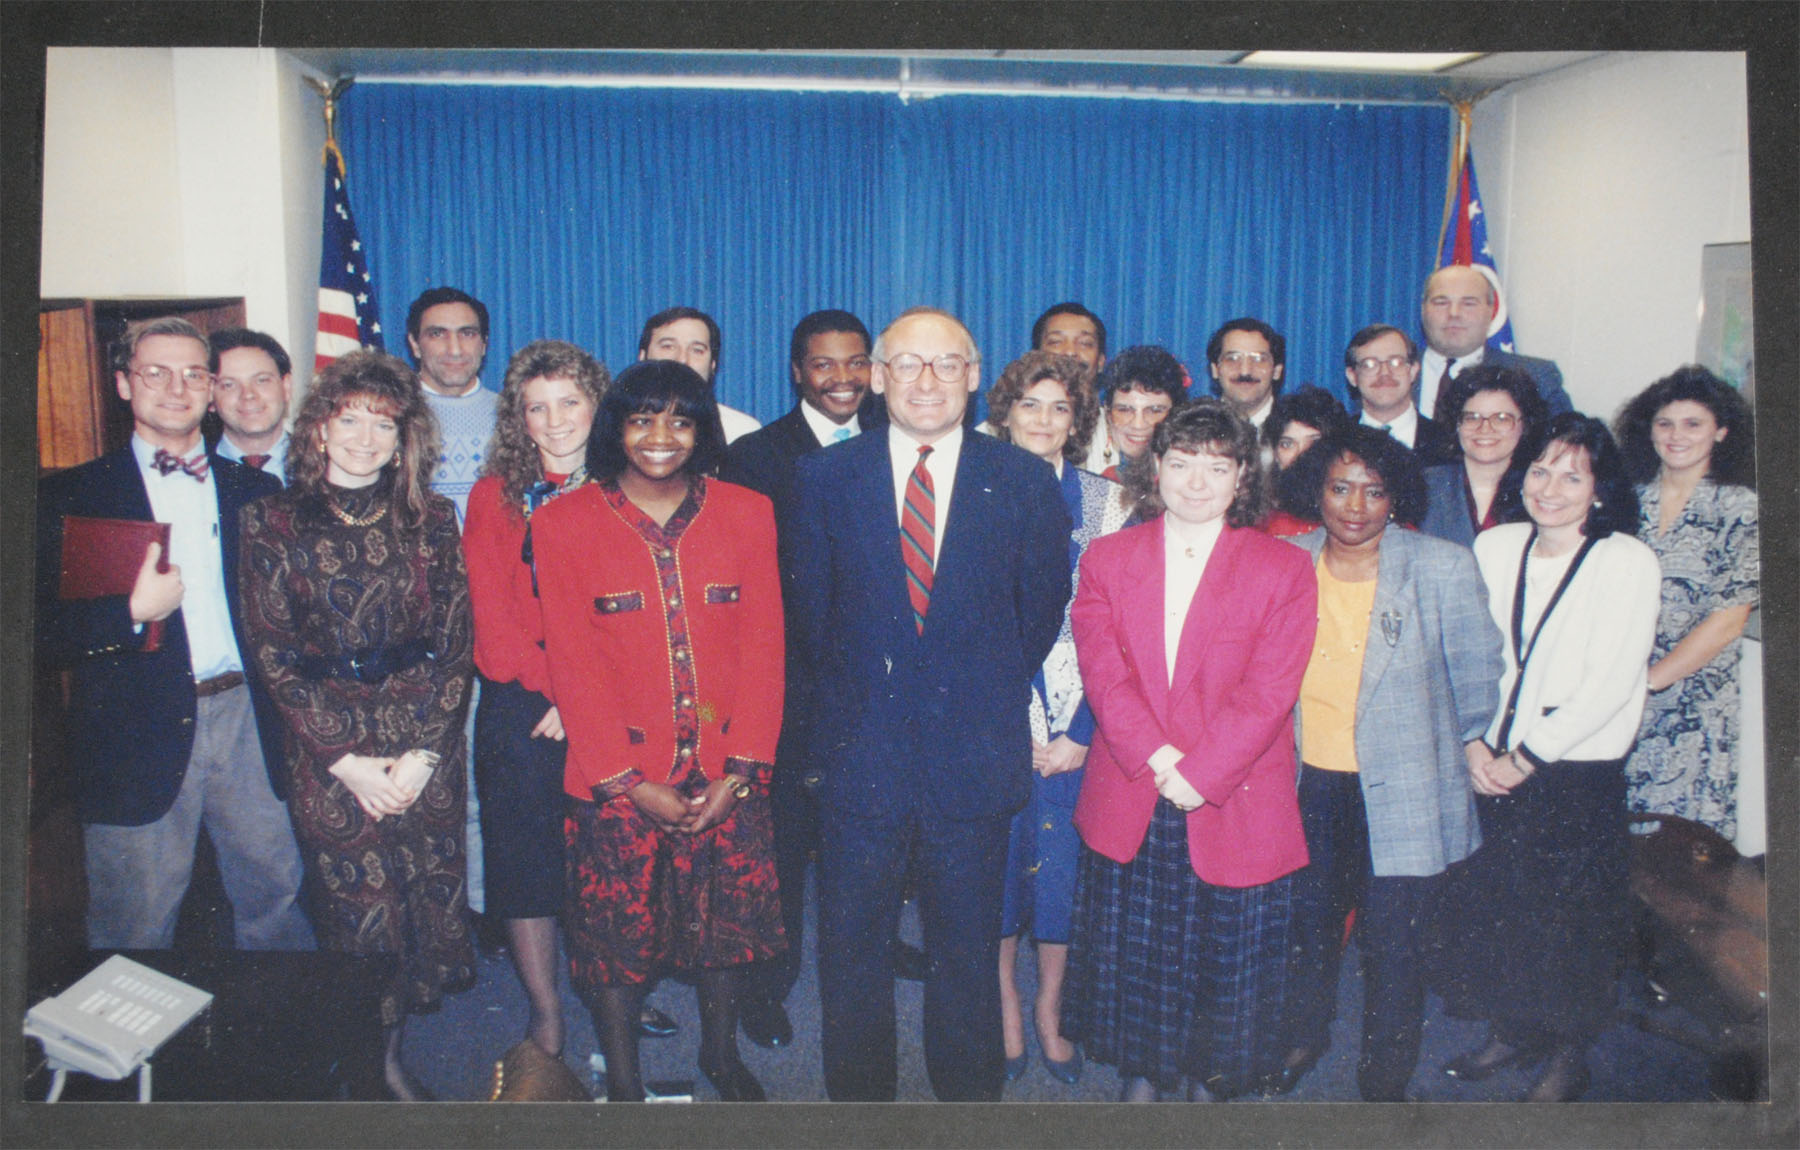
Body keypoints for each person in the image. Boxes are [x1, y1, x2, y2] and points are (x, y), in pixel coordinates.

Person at [788, 307, 1069, 1101]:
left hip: (972, 759)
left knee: (967, 954)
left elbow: (1038, 614)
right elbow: (813, 618)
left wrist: (968, 693)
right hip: (859, 758)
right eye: (906, 364)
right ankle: (862, 1109)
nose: (926, 381)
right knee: (851, 954)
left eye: (947, 364)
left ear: (975, 377)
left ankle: (967, 1104)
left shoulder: (1020, 479)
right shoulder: (823, 479)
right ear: (876, 378)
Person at [530, 359, 786, 1103]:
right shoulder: (562, 521)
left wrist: (739, 769)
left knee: (722, 932)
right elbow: (573, 665)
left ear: (703, 428)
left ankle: (719, 1053)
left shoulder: (747, 512)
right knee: (615, 948)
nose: (661, 436)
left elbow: (765, 648)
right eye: (642, 418)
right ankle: (627, 1086)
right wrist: (630, 783)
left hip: (724, 767)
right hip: (617, 780)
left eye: (680, 418)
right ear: (616, 426)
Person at [238, 349, 476, 1100]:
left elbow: (457, 643)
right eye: (351, 419)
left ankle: (392, 1051)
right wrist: (348, 763)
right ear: (318, 426)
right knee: (361, 915)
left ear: (405, 436)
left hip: (421, 737)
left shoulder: (432, 516)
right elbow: (273, 654)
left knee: (422, 898)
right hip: (327, 743)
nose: (366, 438)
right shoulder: (269, 519)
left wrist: (423, 758)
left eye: (384, 422)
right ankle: (377, 1072)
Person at [1064, 400, 1317, 1102]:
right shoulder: (1109, 558)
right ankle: (1143, 1073)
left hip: (1232, 795)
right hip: (1133, 787)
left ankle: (1214, 1082)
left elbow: (1272, 691)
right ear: (1156, 469)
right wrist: (1158, 762)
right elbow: (1104, 673)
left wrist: (1200, 774)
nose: (1197, 482)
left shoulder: (1283, 569)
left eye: (1217, 466)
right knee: (1139, 954)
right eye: (1181, 464)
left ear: (1243, 477)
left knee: (1225, 960)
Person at [36, 316, 312, 953]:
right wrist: (129, 612)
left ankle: (277, 1048)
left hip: (248, 718)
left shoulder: (259, 490)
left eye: (194, 373)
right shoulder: (71, 496)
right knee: (134, 921)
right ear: (124, 385)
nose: (176, 387)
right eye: (155, 372)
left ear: (212, 388)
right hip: (135, 730)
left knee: (275, 900)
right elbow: (36, 631)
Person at [1274, 424, 1504, 1100]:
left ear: (1396, 496)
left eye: (1374, 491)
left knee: (1394, 951)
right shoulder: (1287, 558)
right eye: (1340, 487)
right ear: (1315, 490)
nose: (1354, 505)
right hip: (1308, 784)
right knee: (1308, 931)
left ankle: (1385, 1079)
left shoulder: (1440, 566)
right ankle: (1303, 1037)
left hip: (1403, 792)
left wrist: (1446, 750)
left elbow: (1479, 678)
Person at [1439, 414, 1660, 1101]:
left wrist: (1525, 757)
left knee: (1571, 922)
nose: (1551, 487)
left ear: (1599, 489)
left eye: (1573, 475)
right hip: (1491, 761)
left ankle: (1569, 1053)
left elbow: (1611, 680)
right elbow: (1467, 654)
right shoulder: (1497, 546)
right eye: (1539, 470)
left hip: (1572, 773)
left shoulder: (1626, 559)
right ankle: (1512, 1029)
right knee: (1500, 909)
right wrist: (1474, 741)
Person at [719, 309, 888, 1050]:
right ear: (796, 371)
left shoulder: (900, 441)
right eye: (825, 364)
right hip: (790, 682)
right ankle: (769, 982)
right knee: (783, 841)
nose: (843, 378)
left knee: (877, 832)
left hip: (880, 681)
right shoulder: (757, 456)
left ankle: (878, 953)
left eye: (857, 362)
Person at [984, 349, 1130, 1089]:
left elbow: (1126, 630)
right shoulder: (971, 490)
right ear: (1005, 412)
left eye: (1060, 408)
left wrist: (1079, 732)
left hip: (1084, 717)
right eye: (1030, 405)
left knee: (1064, 874)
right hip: (994, 716)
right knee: (999, 868)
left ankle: (1052, 1007)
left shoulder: (1111, 501)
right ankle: (1005, 1001)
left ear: (1078, 422)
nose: (1044, 420)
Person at [462, 340, 611, 1060]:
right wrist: (561, 689)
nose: (555, 421)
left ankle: (613, 999)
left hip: (612, 698)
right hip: (524, 702)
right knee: (525, 863)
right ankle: (545, 1010)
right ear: (518, 419)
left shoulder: (628, 484)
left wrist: (585, 695)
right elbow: (491, 622)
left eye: (570, 403)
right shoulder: (494, 495)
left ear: (597, 405)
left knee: (609, 861)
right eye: (537, 407)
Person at [1615, 367, 1759, 840]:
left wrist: (1649, 684)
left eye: (1693, 424)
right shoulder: (1627, 503)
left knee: (1681, 856)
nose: (1677, 436)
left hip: (1692, 706)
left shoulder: (1741, 509)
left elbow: (1728, 621)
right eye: (1665, 423)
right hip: (1614, 692)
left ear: (1721, 431)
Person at [405, 286, 503, 959]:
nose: (453, 347)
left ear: (484, 343)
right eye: (437, 334)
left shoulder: (511, 418)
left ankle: (482, 907)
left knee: (484, 773)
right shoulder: (387, 417)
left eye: (467, 333)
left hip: (495, 622)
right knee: (429, 773)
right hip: (415, 629)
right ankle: (433, 912)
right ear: (414, 342)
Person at [1417, 263, 1573, 420]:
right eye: (1441, 302)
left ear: (1491, 311)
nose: (1454, 313)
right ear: (1423, 309)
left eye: (1469, 303)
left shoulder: (1536, 377)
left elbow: (1568, 441)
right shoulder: (1396, 373)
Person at [1419, 364, 1548, 547]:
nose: (1485, 429)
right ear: (1457, 424)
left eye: (1502, 418)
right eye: (1472, 418)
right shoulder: (1424, 485)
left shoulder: (1542, 490)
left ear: (1524, 425)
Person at [638, 305, 762, 443]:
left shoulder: (741, 431)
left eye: (697, 350)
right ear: (643, 357)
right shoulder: (620, 425)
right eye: (668, 346)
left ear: (713, 364)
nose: (682, 359)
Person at [1344, 323, 1455, 459]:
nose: (1385, 373)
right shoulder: (1335, 442)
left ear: (1413, 371)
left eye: (1396, 362)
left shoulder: (1448, 443)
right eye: (1370, 364)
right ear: (1352, 376)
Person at [1260, 385, 1351, 538]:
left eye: (1314, 442)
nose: (1300, 454)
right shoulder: (1260, 522)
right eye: (1287, 444)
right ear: (1275, 454)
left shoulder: (1356, 516)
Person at [208, 327, 295, 483]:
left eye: (261, 380)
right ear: (209, 397)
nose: (248, 395)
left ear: (286, 387)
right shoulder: (190, 471)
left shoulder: (327, 464)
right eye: (229, 385)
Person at [1093, 345, 1187, 486]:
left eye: (1154, 410)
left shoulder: (1192, 486)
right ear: (1108, 415)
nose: (1138, 425)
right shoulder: (1105, 483)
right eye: (1124, 410)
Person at [1206, 317, 1286, 429]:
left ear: (1277, 371)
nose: (1245, 371)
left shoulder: (1294, 431)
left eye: (1258, 359)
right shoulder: (1195, 429)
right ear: (1215, 370)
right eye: (1232, 358)